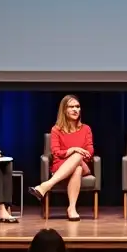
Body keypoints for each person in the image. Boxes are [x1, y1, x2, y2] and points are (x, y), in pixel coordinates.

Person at [28, 94, 94, 222]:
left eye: (77, 107)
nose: (75, 109)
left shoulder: (86, 129)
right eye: (71, 107)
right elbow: (56, 152)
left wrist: (78, 153)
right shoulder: (56, 130)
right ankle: (72, 208)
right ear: (64, 110)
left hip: (83, 163)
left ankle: (46, 185)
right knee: (77, 169)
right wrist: (72, 150)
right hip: (61, 165)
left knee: (78, 158)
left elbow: (90, 150)